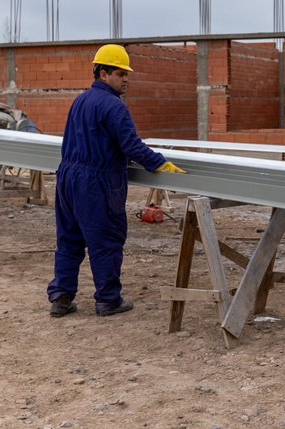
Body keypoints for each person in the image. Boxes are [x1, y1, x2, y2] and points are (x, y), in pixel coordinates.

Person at [46, 44, 187, 318]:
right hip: (96, 183)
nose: (126, 79)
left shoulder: (80, 101)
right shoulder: (114, 106)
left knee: (69, 239)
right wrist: (158, 163)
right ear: (103, 74)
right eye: (120, 73)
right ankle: (108, 300)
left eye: (126, 74)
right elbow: (131, 145)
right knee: (106, 240)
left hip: (68, 178)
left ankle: (61, 298)